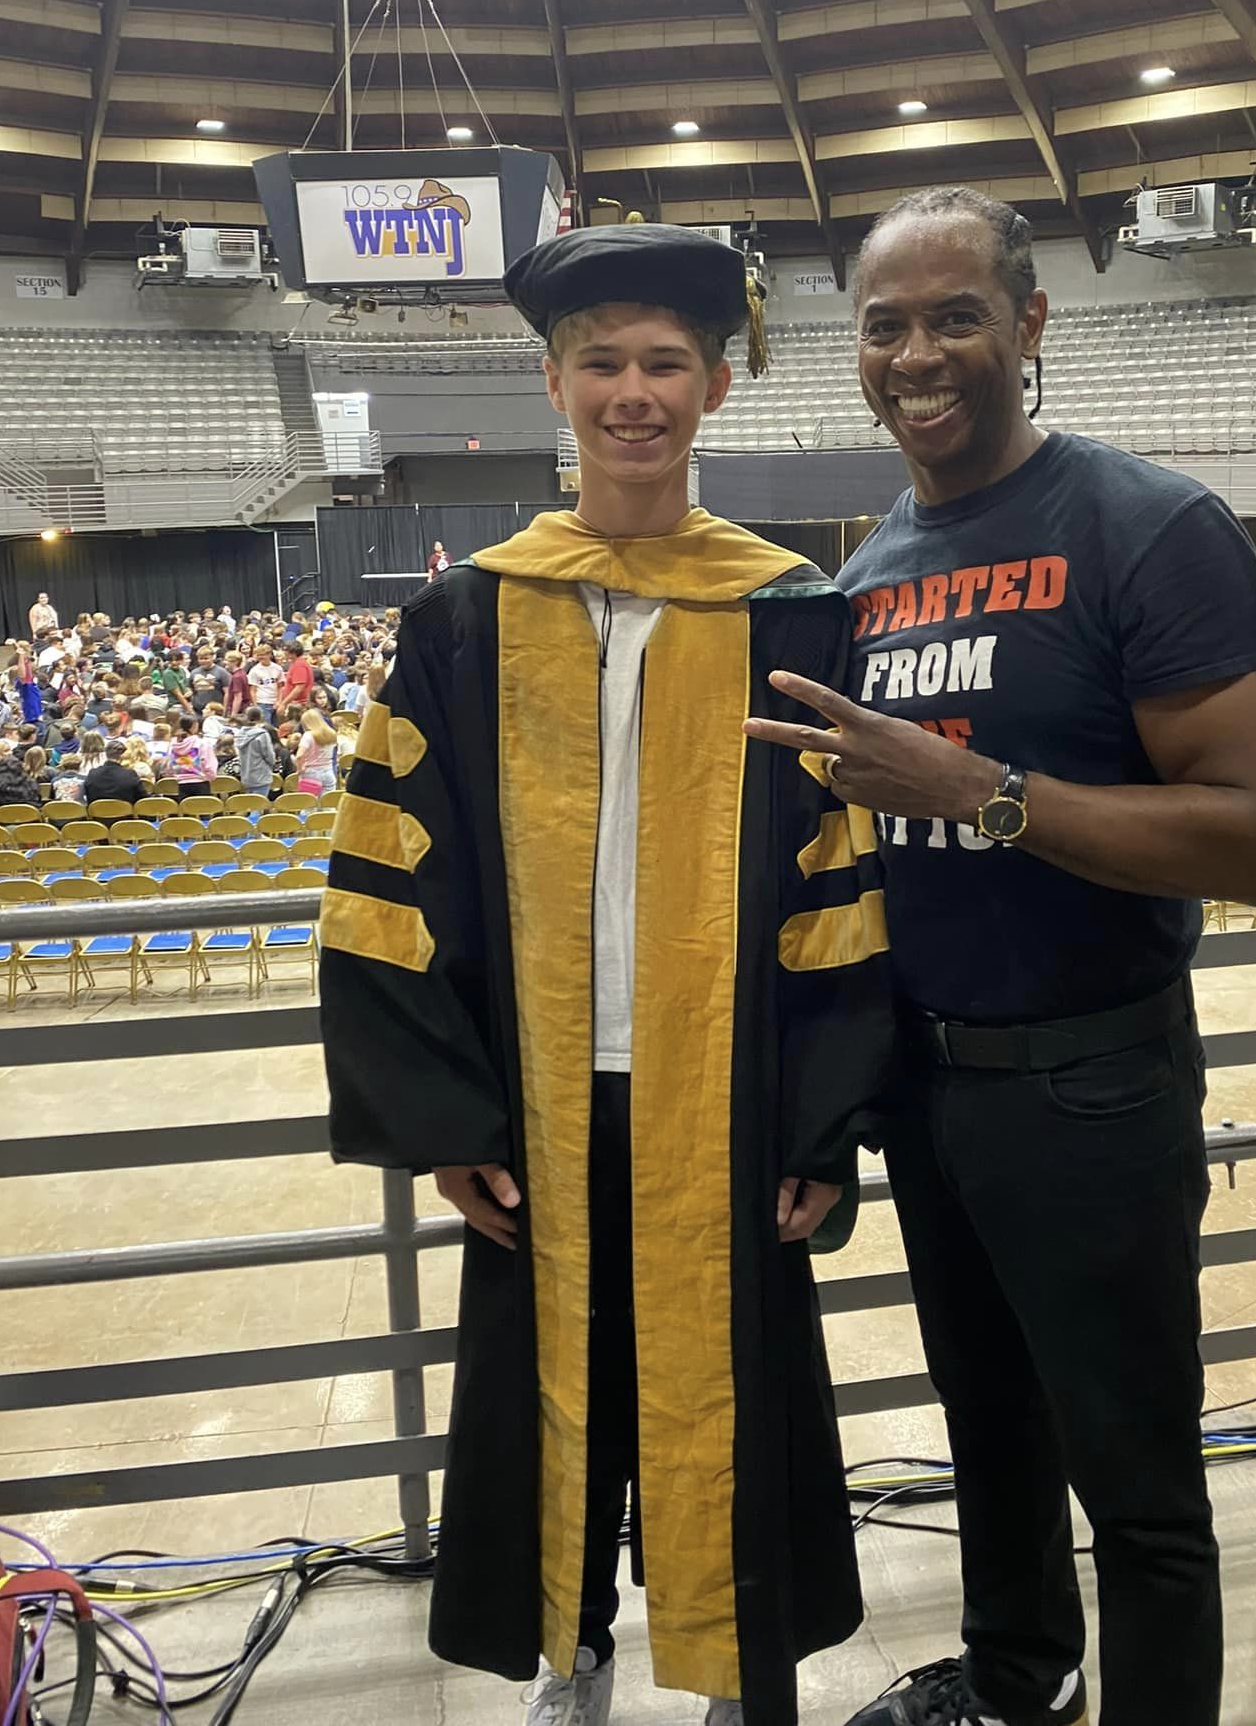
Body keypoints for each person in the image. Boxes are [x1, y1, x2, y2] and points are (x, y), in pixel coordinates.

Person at [320, 225, 895, 1726]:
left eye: (664, 365)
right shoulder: (463, 621)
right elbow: (393, 874)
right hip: (542, 1103)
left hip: (733, 1095)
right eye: (603, 365)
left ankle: (728, 1660)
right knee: (546, 1398)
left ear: (714, 384)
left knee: (737, 1392)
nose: (632, 394)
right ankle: (571, 1659)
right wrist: (446, 1119)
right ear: (554, 382)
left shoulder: (790, 609)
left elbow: (842, 879)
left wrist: (821, 1122)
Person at [743, 188, 1256, 1726]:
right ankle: (1012, 1683)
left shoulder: (1150, 527)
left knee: (1136, 1486)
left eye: (954, 317)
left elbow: (1255, 840)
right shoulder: (879, 564)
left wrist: (980, 793)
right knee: (987, 1430)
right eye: (884, 326)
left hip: (1093, 1081)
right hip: (930, 1084)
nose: (917, 355)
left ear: (1029, 326)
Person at [83, 740, 145, 806]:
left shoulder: (92, 774)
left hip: (97, 815)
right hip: (125, 815)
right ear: (122, 756)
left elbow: (88, 797)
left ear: (106, 754)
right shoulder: (130, 774)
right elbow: (142, 799)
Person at [293, 707, 339, 794]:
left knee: (310, 804)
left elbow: (299, 756)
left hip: (311, 773)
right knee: (327, 804)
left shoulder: (308, 735)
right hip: (328, 771)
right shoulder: (332, 733)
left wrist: (300, 769)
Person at [234, 707, 278, 795]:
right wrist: (272, 763)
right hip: (261, 775)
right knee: (258, 805)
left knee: (251, 803)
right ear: (260, 717)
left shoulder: (240, 734)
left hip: (246, 774)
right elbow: (269, 755)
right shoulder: (262, 735)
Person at [281, 641, 315, 712]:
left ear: (293, 652)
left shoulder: (299, 665)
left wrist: (284, 703)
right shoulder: (296, 663)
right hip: (295, 703)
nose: (284, 653)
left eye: (286, 650)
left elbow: (299, 688)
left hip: (298, 705)